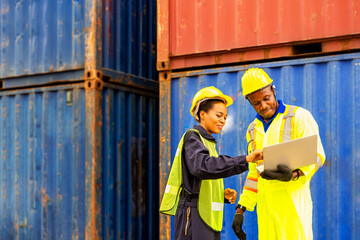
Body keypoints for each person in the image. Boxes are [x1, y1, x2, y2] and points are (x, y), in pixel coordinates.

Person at [232, 68, 326, 240]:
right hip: (266, 211)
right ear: (249, 102)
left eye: (266, 98)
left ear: (273, 91)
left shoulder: (299, 116)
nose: (263, 105)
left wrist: (294, 175)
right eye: (256, 103)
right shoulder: (252, 129)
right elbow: (254, 173)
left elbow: (317, 157)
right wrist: (241, 208)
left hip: (293, 209)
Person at [159, 86, 263, 240]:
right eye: (219, 115)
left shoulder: (208, 144)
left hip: (206, 216)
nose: (223, 120)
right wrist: (245, 160)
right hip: (193, 215)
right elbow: (203, 167)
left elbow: (201, 179)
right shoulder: (192, 137)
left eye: (225, 117)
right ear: (202, 114)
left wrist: (221, 195)